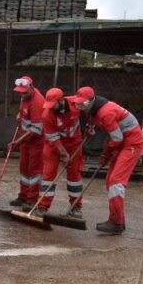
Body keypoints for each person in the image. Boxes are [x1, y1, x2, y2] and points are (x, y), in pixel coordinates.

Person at [69, 86, 143, 234]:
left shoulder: (106, 112)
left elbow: (117, 139)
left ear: (92, 100)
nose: (81, 107)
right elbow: (94, 122)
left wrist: (105, 155)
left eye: (83, 104)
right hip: (122, 142)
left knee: (116, 182)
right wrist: (89, 128)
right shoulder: (92, 109)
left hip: (131, 143)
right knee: (110, 180)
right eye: (78, 104)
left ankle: (116, 222)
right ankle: (118, 220)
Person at [37, 87, 85, 218]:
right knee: (48, 175)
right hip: (53, 145)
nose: (51, 108)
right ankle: (42, 206)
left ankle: (76, 206)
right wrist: (64, 155)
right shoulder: (47, 114)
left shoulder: (77, 104)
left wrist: (91, 126)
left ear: (61, 100)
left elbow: (91, 111)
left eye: (53, 105)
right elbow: (53, 137)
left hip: (74, 144)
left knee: (74, 176)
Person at [8, 76, 45, 208]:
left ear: (31, 87)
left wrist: (17, 141)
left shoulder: (37, 102)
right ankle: (23, 195)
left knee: (34, 170)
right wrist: (20, 115)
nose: (22, 95)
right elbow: (23, 111)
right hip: (25, 139)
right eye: (20, 92)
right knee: (24, 168)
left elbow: (36, 129)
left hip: (36, 141)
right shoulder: (24, 97)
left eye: (24, 92)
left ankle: (32, 199)